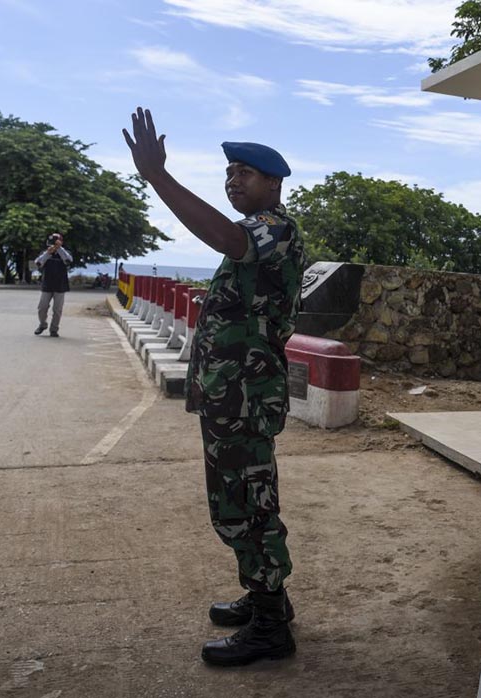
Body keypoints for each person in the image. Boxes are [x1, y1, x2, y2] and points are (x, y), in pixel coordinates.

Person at [123, 107, 305, 666]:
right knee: (239, 498)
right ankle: (264, 598)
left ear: (272, 183)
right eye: (228, 175)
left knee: (248, 503)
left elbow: (224, 238)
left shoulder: (274, 229)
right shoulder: (254, 233)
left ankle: (271, 626)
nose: (232, 182)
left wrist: (158, 177)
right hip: (232, 394)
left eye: (243, 174)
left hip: (246, 397)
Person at [34, 234, 72, 337]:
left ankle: (54, 329)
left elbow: (68, 260)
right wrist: (48, 253)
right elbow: (38, 263)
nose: (53, 245)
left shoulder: (64, 253)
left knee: (57, 309)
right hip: (47, 284)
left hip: (60, 285)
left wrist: (59, 249)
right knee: (42, 307)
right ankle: (42, 324)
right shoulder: (46, 253)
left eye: (55, 243)